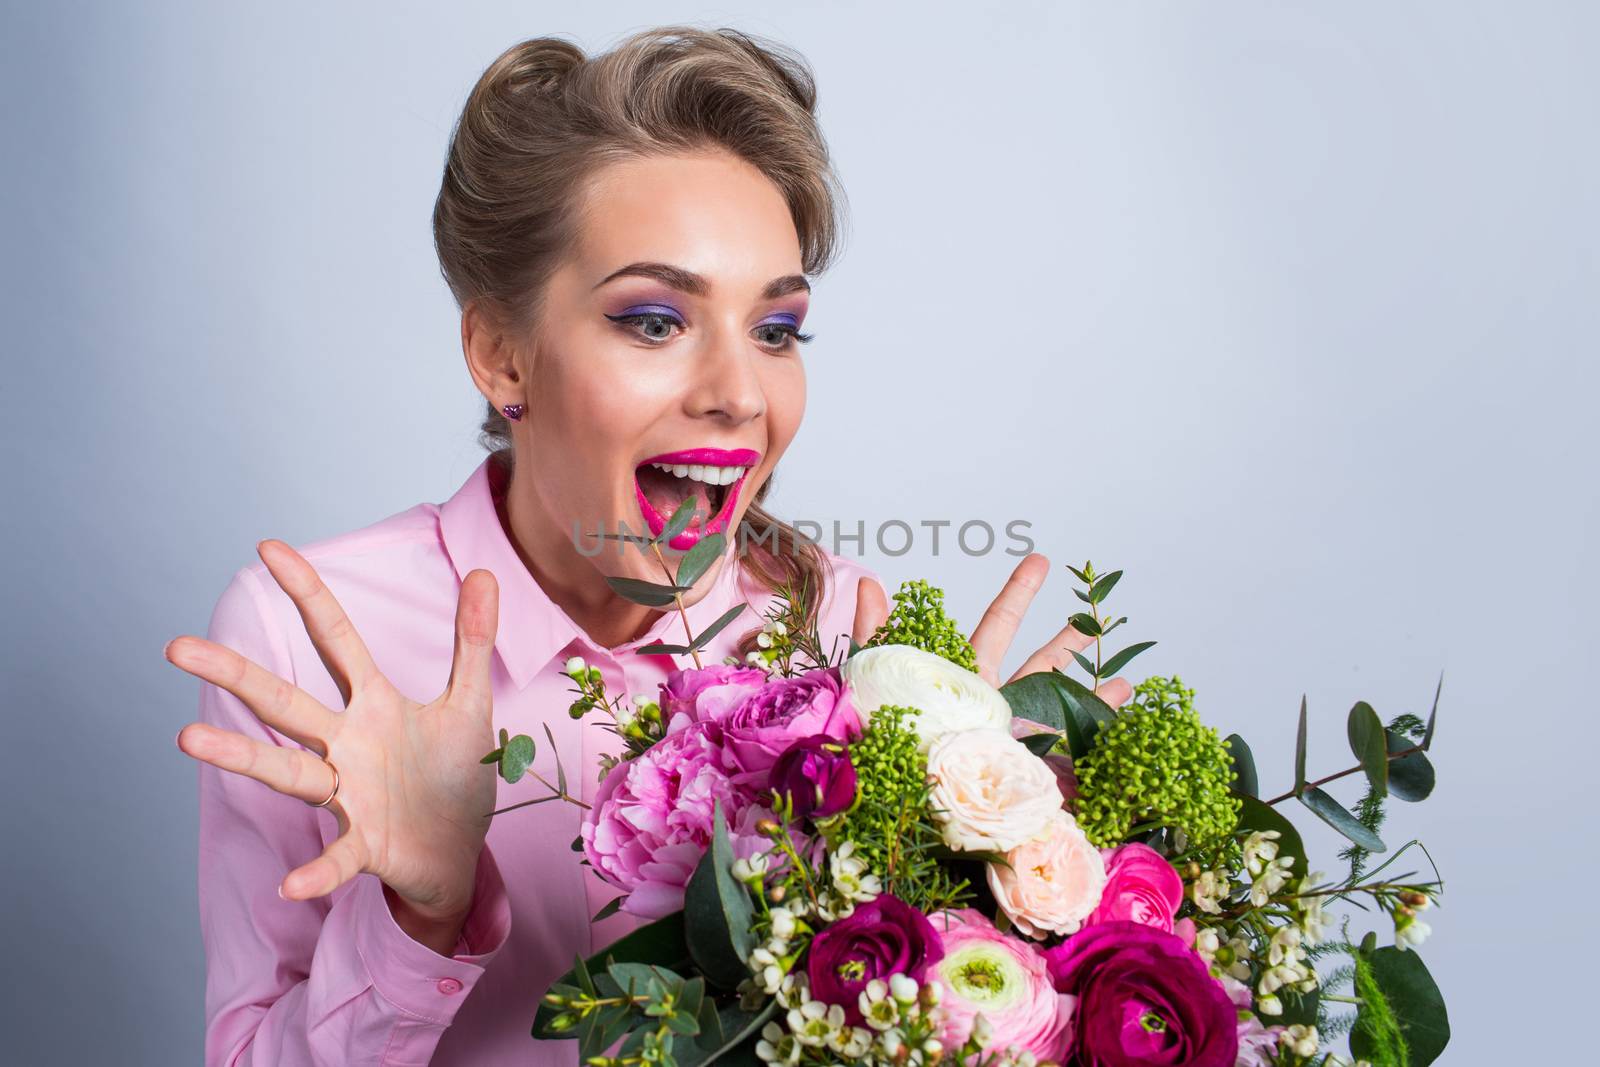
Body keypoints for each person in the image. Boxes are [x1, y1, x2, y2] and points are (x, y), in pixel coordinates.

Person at [166, 26, 1131, 1065]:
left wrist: (989, 861)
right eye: (656, 320)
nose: (738, 392)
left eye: (775, 329)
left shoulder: (844, 628)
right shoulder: (313, 637)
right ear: (501, 354)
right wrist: (421, 917)